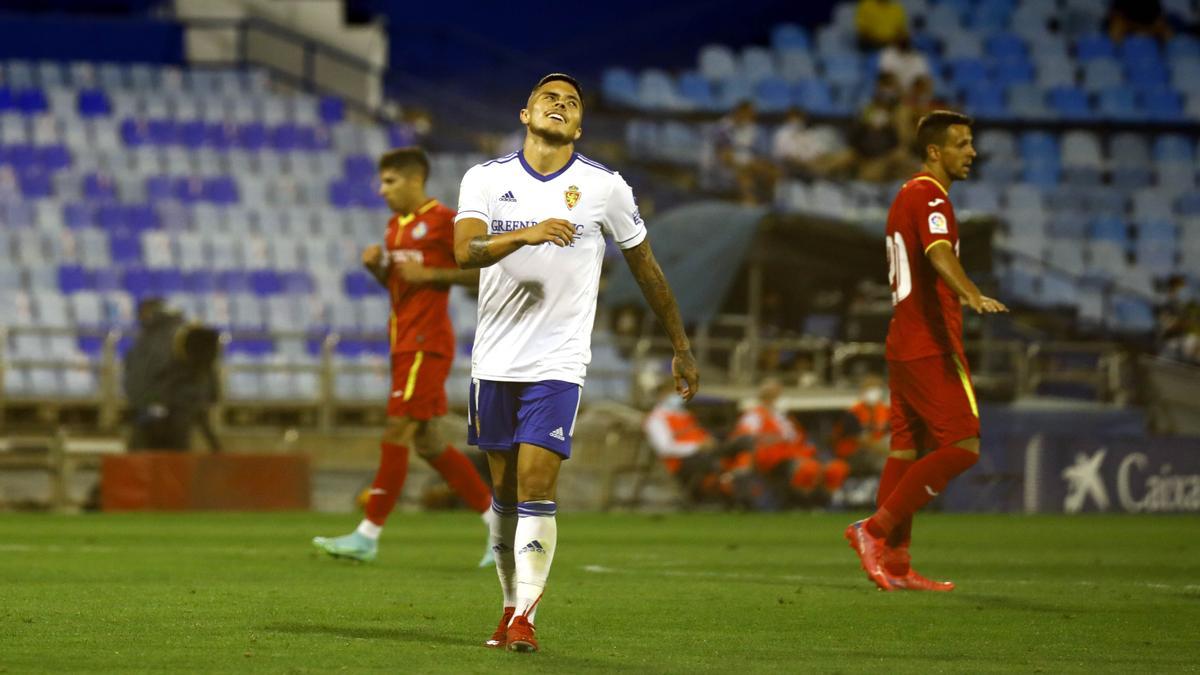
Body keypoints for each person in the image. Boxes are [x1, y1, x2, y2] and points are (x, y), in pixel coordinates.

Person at [453, 73, 698, 652]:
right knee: (505, 493)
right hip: (494, 361)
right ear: (525, 113)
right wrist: (529, 234)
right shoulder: (485, 179)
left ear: (580, 125)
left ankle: (526, 621)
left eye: (571, 102)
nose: (560, 105)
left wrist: (681, 344)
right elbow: (464, 251)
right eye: (549, 98)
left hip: (559, 361)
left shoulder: (604, 187)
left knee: (538, 482)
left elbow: (646, 267)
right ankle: (508, 605)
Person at [845, 111, 1008, 592]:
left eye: (971, 143)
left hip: (904, 337)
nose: (971, 152)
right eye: (961, 144)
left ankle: (895, 563)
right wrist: (971, 292)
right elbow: (939, 253)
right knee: (963, 444)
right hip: (929, 340)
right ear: (934, 152)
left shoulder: (906, 194)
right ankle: (871, 531)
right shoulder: (930, 195)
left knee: (905, 448)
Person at [312, 147, 495, 565]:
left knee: (396, 430)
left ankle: (367, 534)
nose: (382, 191)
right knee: (429, 444)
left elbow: (485, 270)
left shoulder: (446, 221)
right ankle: (497, 525)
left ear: (415, 180)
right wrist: (378, 269)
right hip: (402, 342)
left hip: (426, 343)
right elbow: (402, 288)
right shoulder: (396, 228)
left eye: (390, 182)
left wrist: (432, 274)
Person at [730, 379, 849, 506]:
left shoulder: (784, 417)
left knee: (837, 468)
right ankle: (804, 503)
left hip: (798, 453)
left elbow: (798, 438)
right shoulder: (754, 416)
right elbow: (746, 438)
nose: (775, 398)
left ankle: (827, 503)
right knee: (808, 469)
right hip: (773, 458)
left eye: (777, 394)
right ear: (764, 397)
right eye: (771, 395)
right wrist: (772, 438)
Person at [123, 298, 220, 452]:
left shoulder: (159, 336)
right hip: (176, 406)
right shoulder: (177, 332)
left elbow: (146, 374)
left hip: (162, 407)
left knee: (157, 458)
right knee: (172, 460)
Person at [644, 380, 752, 504]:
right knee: (711, 460)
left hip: (705, 451)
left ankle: (738, 476)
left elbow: (698, 434)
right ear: (662, 395)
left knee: (745, 441)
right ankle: (727, 490)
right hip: (682, 460)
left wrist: (708, 440)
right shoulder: (656, 419)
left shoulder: (684, 415)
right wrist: (697, 447)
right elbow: (664, 448)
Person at [713, 100, 779, 205]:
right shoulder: (724, 127)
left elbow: (759, 154)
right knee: (745, 176)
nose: (752, 118)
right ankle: (749, 204)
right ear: (740, 112)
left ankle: (769, 204)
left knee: (773, 171)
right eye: (750, 114)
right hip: (727, 165)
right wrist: (742, 165)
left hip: (748, 162)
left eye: (753, 115)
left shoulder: (752, 128)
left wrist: (759, 164)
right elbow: (724, 155)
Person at [831, 374, 890, 475]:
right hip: (851, 454)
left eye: (876, 388)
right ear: (862, 391)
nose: (873, 392)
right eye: (870, 388)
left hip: (875, 452)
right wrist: (893, 452)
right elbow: (862, 440)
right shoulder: (852, 412)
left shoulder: (884, 410)